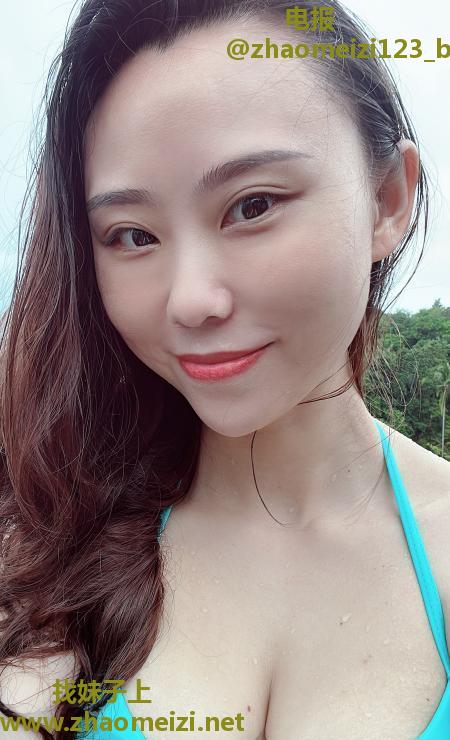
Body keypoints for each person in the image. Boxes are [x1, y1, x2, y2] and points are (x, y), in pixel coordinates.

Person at [0, 0, 449, 738]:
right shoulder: (46, 542)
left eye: (253, 205)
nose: (190, 300)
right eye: (132, 235)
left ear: (386, 200)